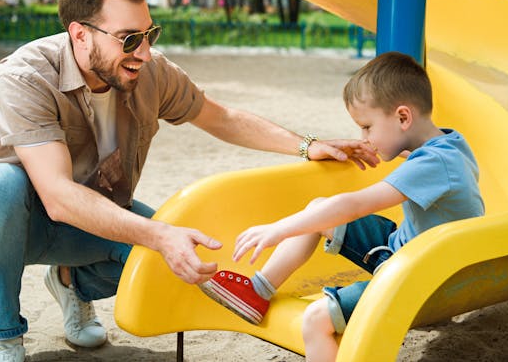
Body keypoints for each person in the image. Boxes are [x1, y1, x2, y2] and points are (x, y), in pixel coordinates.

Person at [0, 0, 379, 362]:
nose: (145, 52)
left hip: (94, 215)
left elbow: (220, 117)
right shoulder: (27, 75)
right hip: (11, 220)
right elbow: (56, 197)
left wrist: (307, 145)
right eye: (129, 39)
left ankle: (72, 284)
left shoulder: (149, 72)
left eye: (150, 34)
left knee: (179, 263)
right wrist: (159, 234)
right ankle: (5, 336)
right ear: (79, 34)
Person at [199, 51, 484, 362]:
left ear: (403, 117)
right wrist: (366, 147)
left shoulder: (434, 164)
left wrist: (278, 229)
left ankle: (264, 291)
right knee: (317, 209)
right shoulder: (450, 145)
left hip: (421, 280)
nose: (364, 137)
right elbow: (420, 160)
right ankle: (259, 291)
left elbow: (353, 205)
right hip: (408, 254)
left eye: (367, 127)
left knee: (315, 320)